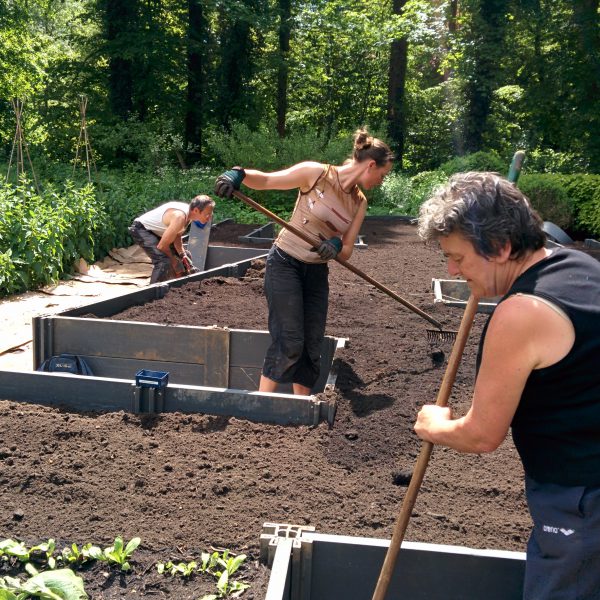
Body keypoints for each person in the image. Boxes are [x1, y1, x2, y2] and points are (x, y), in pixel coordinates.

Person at [415, 171, 600, 599]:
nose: (452, 270)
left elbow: (481, 435)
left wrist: (433, 424)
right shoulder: (580, 266)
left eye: (458, 258)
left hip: (582, 502)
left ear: (500, 248)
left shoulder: (522, 314)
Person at [214, 128, 394, 395]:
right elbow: (266, 181)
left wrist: (335, 245)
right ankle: (264, 403)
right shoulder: (316, 173)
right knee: (289, 339)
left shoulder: (359, 202)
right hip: (285, 263)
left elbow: (346, 251)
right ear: (370, 165)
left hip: (316, 273)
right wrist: (238, 174)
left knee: (311, 344)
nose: (382, 180)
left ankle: (303, 408)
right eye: (383, 174)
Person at [129, 195, 215, 284]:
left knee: (185, 256)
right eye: (207, 214)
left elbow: (177, 237)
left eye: (210, 214)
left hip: (157, 232)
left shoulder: (189, 215)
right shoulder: (180, 217)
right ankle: (153, 293)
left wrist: (183, 255)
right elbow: (162, 246)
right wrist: (174, 262)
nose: (209, 218)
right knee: (163, 261)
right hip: (141, 229)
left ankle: (181, 288)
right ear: (196, 210)